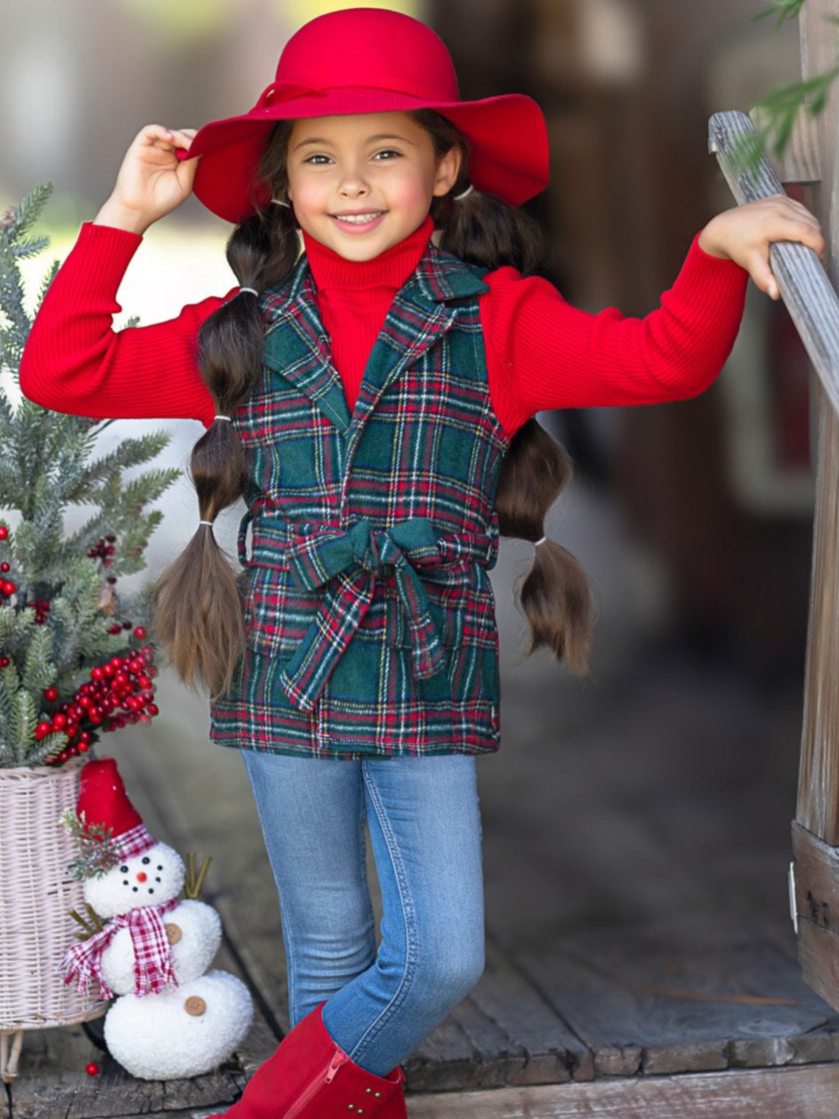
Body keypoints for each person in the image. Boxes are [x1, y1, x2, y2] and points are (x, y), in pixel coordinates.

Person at [19, 8, 824, 1118]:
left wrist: (709, 253)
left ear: (443, 168)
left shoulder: (496, 320)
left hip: (424, 669)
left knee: (437, 954)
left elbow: (661, 359)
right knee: (329, 948)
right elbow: (65, 369)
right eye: (318, 158)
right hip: (284, 674)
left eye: (384, 152)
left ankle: (273, 1108)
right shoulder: (238, 334)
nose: (352, 184)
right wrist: (121, 215)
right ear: (280, 185)